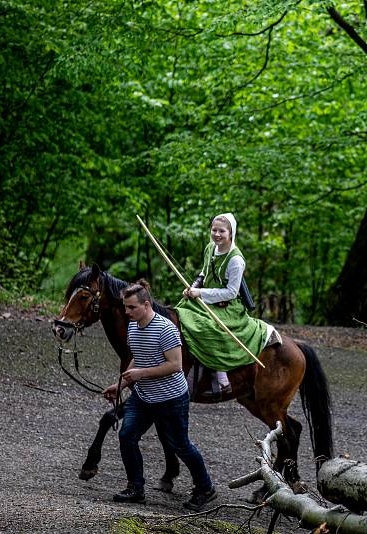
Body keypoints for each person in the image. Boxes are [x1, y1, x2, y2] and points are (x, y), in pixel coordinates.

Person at [102, 281, 217, 511]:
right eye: (125, 307)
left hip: (171, 399)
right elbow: (139, 356)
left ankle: (205, 488)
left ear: (146, 304)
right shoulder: (134, 325)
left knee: (181, 445)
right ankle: (136, 488)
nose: (127, 312)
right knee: (127, 436)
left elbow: (175, 365)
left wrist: (140, 374)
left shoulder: (166, 329)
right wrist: (122, 384)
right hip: (143, 397)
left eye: (131, 307)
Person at [175, 213, 275, 399]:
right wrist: (193, 287)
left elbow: (231, 292)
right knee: (181, 313)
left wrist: (201, 293)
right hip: (206, 299)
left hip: (228, 306)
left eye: (222, 231)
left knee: (209, 326)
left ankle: (220, 375)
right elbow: (204, 273)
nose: (217, 234)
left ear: (231, 233)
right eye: (214, 230)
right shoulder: (210, 248)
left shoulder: (236, 260)